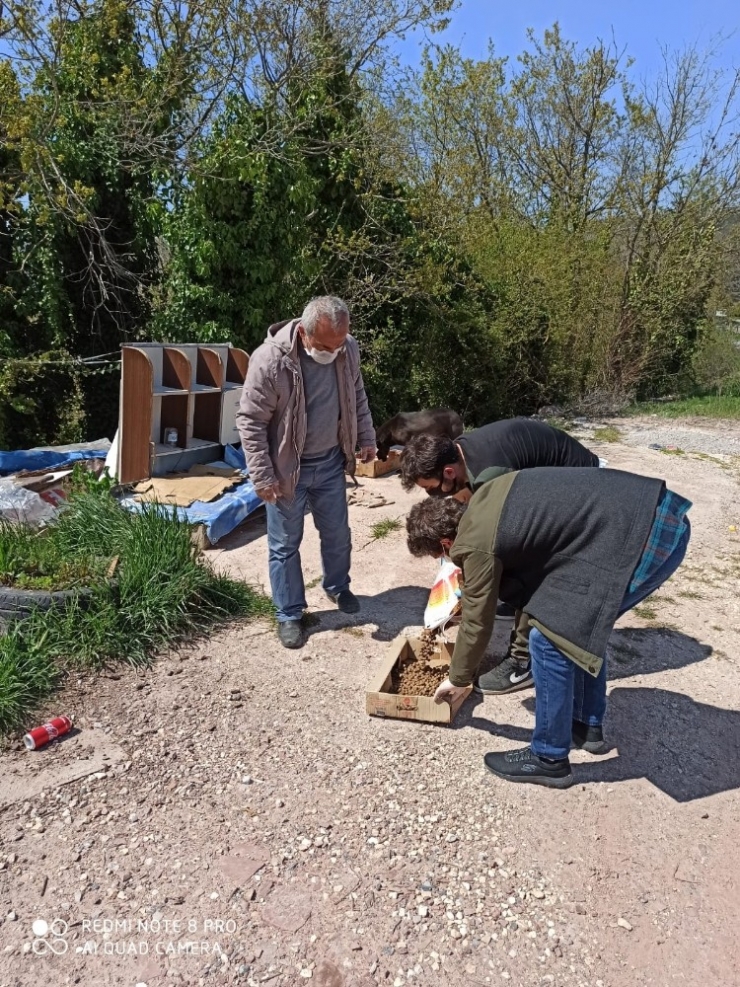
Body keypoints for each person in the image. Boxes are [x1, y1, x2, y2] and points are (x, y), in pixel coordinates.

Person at [405, 467, 691, 789]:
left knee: (549, 640)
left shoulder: (476, 544)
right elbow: (531, 591)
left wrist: (457, 680)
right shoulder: (485, 499)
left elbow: (477, 620)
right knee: (573, 627)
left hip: (648, 535)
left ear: (445, 542)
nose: (449, 560)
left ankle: (549, 759)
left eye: (441, 555)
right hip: (647, 512)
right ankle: (586, 726)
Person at [400, 418, 600, 695]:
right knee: (496, 556)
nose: (432, 496)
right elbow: (472, 513)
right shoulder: (460, 455)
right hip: (552, 477)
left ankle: (522, 661)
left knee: (529, 565)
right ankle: (511, 599)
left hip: (583, 486)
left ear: (448, 471)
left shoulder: (493, 474)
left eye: (431, 488)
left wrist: (459, 675)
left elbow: (507, 543)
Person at [237, 296, 376, 649]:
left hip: (330, 462)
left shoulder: (347, 349)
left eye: (340, 343)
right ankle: (289, 614)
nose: (333, 351)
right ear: (303, 332)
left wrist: (366, 436)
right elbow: (250, 421)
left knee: (337, 534)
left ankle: (338, 586)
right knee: (284, 545)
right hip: (287, 471)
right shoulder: (270, 361)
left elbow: (356, 394)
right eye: (326, 345)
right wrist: (262, 475)